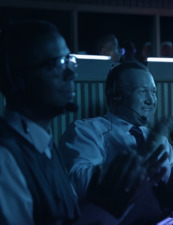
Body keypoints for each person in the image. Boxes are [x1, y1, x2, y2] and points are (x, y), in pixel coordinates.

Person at [0, 19, 144, 225]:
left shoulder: (43, 144)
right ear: (18, 79)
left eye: (70, 61)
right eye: (56, 64)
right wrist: (105, 206)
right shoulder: (5, 158)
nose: (71, 73)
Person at [59, 61, 173, 224]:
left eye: (154, 92)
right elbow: (78, 186)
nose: (151, 100)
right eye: (143, 91)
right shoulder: (86, 130)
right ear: (115, 95)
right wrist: (145, 153)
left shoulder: (157, 138)